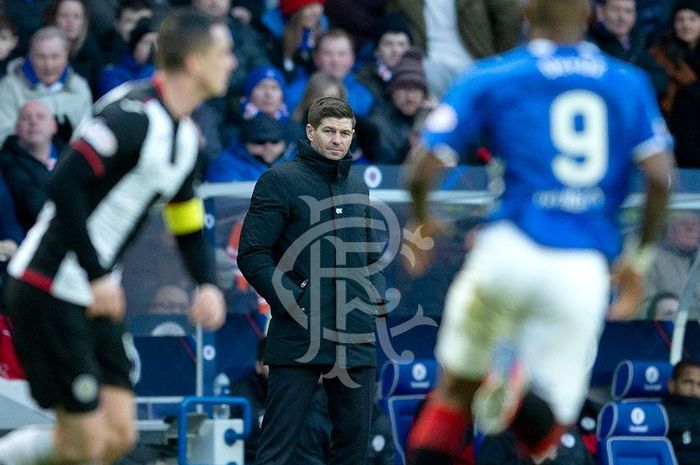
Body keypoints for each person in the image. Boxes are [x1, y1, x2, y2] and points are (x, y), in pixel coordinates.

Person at [402, 0, 674, 464]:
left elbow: (420, 170)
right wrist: (640, 259)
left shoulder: (493, 75)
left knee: (455, 388)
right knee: (545, 435)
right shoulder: (627, 82)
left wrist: (423, 220)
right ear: (589, 13)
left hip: (508, 250)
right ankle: (517, 393)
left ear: (525, 11)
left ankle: (497, 382)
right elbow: (660, 178)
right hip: (582, 268)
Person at [0, 8, 233, 465]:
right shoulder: (131, 114)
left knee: (118, 437)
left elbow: (185, 219)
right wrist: (98, 273)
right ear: (192, 61)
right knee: (85, 443)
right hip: (48, 288)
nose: (231, 63)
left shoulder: (186, 137)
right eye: (223, 53)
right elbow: (63, 184)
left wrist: (205, 282)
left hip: (94, 296)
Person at [238, 96, 387, 465]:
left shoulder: (358, 186)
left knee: (354, 448)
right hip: (298, 330)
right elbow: (252, 254)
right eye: (330, 131)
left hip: (354, 333)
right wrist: (295, 300)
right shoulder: (279, 180)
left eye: (345, 133)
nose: (338, 140)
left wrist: (374, 299)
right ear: (310, 132)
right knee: (276, 445)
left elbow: (370, 255)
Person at [386, 0, 521, 98]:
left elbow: (508, 18)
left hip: (476, 64)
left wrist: (496, 59)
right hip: (428, 67)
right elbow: (393, 27)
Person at [0, 26, 92, 146]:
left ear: (66, 56)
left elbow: (88, 135)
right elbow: (3, 138)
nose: (48, 65)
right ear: (30, 56)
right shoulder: (8, 88)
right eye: (41, 57)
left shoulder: (80, 87)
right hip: (22, 161)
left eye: (55, 57)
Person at [649, 0, 700, 168]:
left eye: (692, 19)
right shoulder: (661, 54)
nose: (686, 25)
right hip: (673, 132)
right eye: (681, 20)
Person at [0, 100, 60, 233]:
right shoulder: (7, 164)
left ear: (54, 125)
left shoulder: (69, 153)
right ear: (16, 128)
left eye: (40, 117)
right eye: (25, 118)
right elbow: (35, 206)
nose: (33, 122)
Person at [588, 0, 668, 96]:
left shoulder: (638, 42)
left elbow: (660, 80)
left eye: (628, 11)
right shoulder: (589, 45)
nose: (622, 17)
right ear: (600, 12)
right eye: (615, 10)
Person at [644, 212, 700, 318]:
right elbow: (644, 307)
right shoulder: (651, 260)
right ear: (668, 229)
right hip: (672, 331)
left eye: (695, 223)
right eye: (683, 223)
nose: (691, 228)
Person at [663, 359, 700, 465]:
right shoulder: (661, 416)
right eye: (688, 382)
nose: (694, 392)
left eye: (699, 385)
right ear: (672, 385)